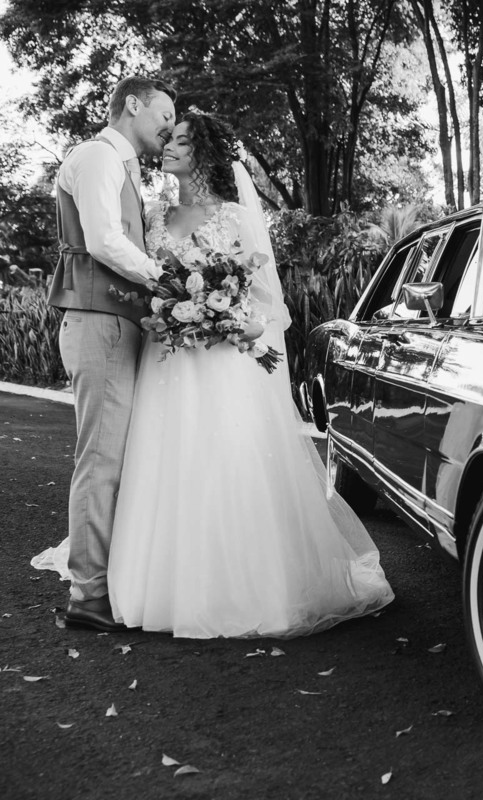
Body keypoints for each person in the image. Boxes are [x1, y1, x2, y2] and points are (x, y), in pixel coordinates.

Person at [37, 110, 395, 638]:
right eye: (168, 136)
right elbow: (141, 276)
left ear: (203, 154)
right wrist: (177, 306)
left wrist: (237, 321)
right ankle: (153, 588)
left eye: (180, 140)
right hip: (165, 359)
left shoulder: (236, 217)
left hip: (222, 363)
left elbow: (267, 301)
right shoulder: (154, 217)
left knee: (222, 465)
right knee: (158, 465)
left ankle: (237, 588)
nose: (168, 145)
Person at [46, 75, 177, 632]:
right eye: (165, 115)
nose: (169, 127)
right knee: (100, 460)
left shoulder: (122, 166)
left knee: (113, 458)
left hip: (115, 320)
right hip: (99, 320)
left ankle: (103, 580)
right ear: (133, 105)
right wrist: (167, 280)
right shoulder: (99, 156)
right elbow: (102, 240)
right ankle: (88, 594)